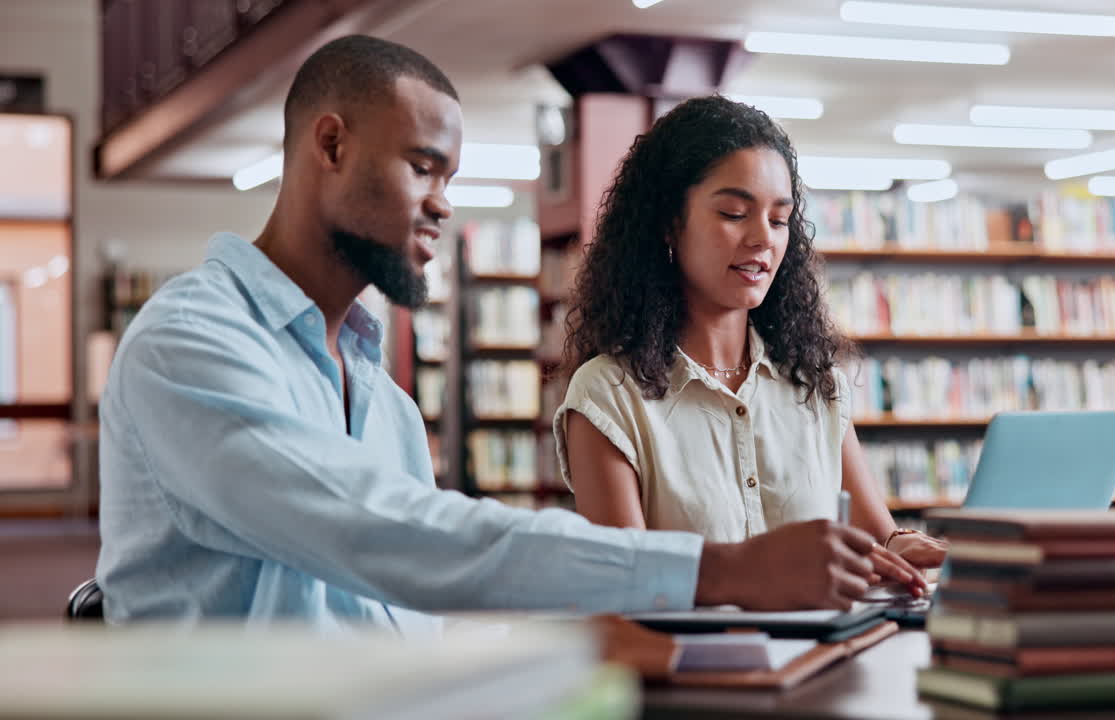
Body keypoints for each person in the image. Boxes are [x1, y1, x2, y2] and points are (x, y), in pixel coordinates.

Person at [95, 35, 885, 625]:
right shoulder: (191, 344)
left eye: (451, 179)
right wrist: (724, 571)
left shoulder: (385, 402)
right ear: (330, 145)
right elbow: (390, 535)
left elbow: (408, 614)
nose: (442, 203)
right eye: (422, 167)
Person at [554, 96, 947, 591]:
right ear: (669, 222)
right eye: (735, 213)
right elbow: (621, 589)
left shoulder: (815, 383)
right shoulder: (607, 395)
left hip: (824, 663)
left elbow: (877, 537)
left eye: (779, 220)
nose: (763, 238)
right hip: (694, 667)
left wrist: (905, 549)